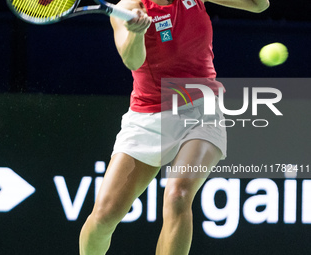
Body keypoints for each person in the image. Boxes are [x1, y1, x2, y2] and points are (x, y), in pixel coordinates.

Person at [79, 0, 269, 254]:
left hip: (201, 110)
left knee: (178, 196)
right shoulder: (129, 6)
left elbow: (259, 5)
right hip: (147, 118)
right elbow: (132, 60)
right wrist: (137, 33)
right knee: (104, 216)